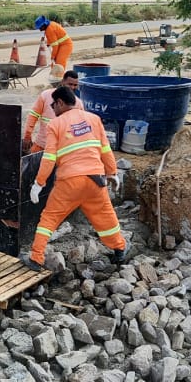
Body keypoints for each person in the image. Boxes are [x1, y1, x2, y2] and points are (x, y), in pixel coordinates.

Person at [21, 85, 127, 271]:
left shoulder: (56, 124)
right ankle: (120, 249)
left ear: (61, 103)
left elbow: (49, 157)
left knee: (49, 219)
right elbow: (105, 149)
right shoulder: (94, 119)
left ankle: (36, 259)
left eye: (53, 105)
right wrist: (112, 173)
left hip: (70, 181)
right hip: (95, 179)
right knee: (106, 216)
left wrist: (39, 183)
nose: (52, 109)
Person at [22, 70, 80, 153]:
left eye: (75, 85)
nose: (72, 87)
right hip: (41, 145)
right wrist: (27, 136)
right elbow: (33, 116)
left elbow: (77, 130)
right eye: (70, 84)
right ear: (63, 81)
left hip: (62, 149)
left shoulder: (78, 104)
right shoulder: (45, 95)